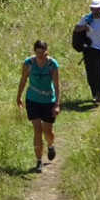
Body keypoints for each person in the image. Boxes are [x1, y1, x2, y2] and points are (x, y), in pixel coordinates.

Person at [16, 39, 61, 173]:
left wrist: (57, 104)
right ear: (34, 51)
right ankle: (38, 161)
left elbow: (57, 84)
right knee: (37, 130)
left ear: (46, 51)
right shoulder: (28, 63)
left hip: (48, 100)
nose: (40, 55)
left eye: (43, 52)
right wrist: (18, 97)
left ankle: (51, 145)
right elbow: (23, 79)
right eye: (38, 52)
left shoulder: (52, 64)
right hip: (33, 99)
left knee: (47, 131)